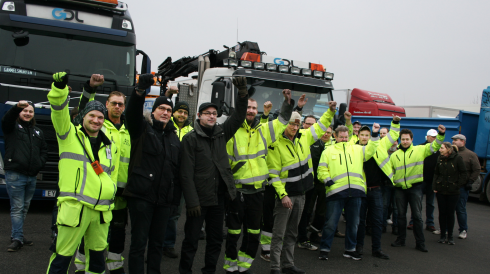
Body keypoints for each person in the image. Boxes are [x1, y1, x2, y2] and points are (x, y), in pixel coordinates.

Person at [46, 72, 118, 273]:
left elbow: (108, 176)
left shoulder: (107, 145)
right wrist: (59, 89)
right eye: (92, 116)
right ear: (83, 117)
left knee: (96, 262)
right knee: (62, 258)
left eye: (100, 117)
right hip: (75, 210)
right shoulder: (68, 135)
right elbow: (58, 110)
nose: (96, 120)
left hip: (101, 213)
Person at [179, 77, 249, 274]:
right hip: (199, 201)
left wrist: (242, 94)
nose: (211, 116)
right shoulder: (190, 139)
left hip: (218, 199)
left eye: (214, 113)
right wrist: (192, 203)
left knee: (215, 240)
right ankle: (185, 271)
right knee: (191, 240)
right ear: (199, 116)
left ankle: (209, 270)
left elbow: (238, 117)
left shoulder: (221, 133)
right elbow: (186, 174)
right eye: (207, 113)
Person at [223, 88, 295, 273]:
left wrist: (287, 103)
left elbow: (281, 122)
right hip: (237, 192)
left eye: (254, 108)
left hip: (257, 193)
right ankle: (230, 268)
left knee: (254, 234)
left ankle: (244, 266)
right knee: (233, 234)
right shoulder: (231, 130)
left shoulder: (264, 130)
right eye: (248, 107)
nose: (251, 110)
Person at [268, 100, 336, 274]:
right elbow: (274, 175)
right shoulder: (275, 144)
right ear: (285, 123)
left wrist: (330, 111)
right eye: (292, 123)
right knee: (279, 235)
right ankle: (275, 267)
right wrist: (283, 196)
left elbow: (321, 126)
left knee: (292, 234)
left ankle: (288, 265)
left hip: (301, 194)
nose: (295, 127)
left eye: (297, 124)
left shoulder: (304, 137)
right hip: (286, 197)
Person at [72, 74, 131, 273]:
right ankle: (81, 265)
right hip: (95, 191)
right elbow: (82, 111)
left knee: (117, 231)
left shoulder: (128, 129)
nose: (117, 107)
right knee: (89, 232)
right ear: (106, 104)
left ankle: (114, 266)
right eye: (114, 103)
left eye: (121, 104)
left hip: (121, 193)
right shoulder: (97, 124)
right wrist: (90, 88)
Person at [124, 74, 181, 273]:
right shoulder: (142, 130)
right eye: (161, 109)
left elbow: (176, 172)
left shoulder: (174, 139)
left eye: (168, 110)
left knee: (157, 245)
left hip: (164, 202)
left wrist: (174, 200)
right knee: (139, 244)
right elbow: (131, 113)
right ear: (153, 111)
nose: (165, 112)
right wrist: (139, 91)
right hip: (141, 198)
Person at [317, 122, 380, 261]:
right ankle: (324, 249)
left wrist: (375, 134)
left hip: (356, 192)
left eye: (346, 137)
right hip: (336, 192)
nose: (344, 139)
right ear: (335, 136)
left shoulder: (357, 149)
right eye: (341, 137)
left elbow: (371, 149)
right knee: (330, 223)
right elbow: (321, 169)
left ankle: (350, 250)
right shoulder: (328, 151)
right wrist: (327, 180)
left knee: (354, 223)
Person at [298, 112, 352, 248]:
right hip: (309, 184)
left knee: (322, 212)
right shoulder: (305, 141)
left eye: (329, 132)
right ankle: (301, 237)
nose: (326, 134)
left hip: (325, 184)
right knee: (306, 211)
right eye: (308, 123)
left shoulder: (333, 146)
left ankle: (314, 234)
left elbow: (349, 138)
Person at [390, 126, 445, 252]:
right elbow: (390, 172)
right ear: (400, 140)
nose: (405, 141)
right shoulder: (394, 155)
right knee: (400, 216)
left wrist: (441, 134)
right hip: (399, 189)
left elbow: (435, 146)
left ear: (412, 139)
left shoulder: (420, 150)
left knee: (417, 216)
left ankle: (420, 243)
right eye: (403, 139)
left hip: (415, 188)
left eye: (407, 139)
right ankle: (401, 239)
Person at [2, 100, 47, 252]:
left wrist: (39, 164)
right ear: (20, 112)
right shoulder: (11, 127)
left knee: (25, 207)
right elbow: (6, 119)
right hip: (15, 174)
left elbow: (44, 151)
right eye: (25, 111)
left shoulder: (38, 132)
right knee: (17, 207)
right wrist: (16, 107)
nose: (27, 113)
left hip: (31, 176)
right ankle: (17, 239)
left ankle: (17, 235)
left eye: (30, 111)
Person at [356, 116, 400, 260]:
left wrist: (395, 123)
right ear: (358, 135)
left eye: (367, 135)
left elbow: (393, 135)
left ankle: (377, 249)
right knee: (360, 221)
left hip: (376, 190)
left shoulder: (380, 144)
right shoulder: (353, 148)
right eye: (362, 134)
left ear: (371, 136)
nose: (364, 137)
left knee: (377, 221)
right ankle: (359, 248)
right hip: (360, 190)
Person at [163, 88, 194, 259]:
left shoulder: (192, 131)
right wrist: (168, 95)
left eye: (185, 112)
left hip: (181, 180)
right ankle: (156, 245)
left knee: (175, 214)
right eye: (179, 111)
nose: (182, 115)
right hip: (166, 177)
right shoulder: (168, 127)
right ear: (173, 113)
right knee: (161, 213)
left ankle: (168, 244)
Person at [433, 142, 467, 245]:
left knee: (450, 213)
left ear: (448, 149)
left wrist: (458, 185)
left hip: (453, 191)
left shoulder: (457, 158)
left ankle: (450, 236)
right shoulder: (440, 158)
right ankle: (443, 235)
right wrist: (435, 186)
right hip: (441, 190)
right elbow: (436, 173)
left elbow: (463, 173)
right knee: (442, 213)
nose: (440, 150)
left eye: (442, 148)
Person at [407, 129, 439, 232]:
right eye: (432, 137)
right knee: (417, 202)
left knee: (430, 203)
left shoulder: (438, 150)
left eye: (435, 137)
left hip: (432, 181)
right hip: (420, 180)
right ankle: (413, 222)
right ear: (427, 137)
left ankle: (430, 223)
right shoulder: (420, 148)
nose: (434, 139)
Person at [451, 134, 480, 239]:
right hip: (450, 186)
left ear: (462, 141)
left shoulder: (470, 154)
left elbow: (477, 169)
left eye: (456, 140)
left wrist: (470, 181)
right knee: (448, 209)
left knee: (460, 209)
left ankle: (463, 230)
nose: (453, 142)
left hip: (462, 187)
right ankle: (445, 229)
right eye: (453, 140)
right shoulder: (451, 153)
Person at [382, 141, 399, 235]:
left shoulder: (400, 152)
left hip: (397, 184)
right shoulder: (384, 152)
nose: (393, 143)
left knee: (396, 207)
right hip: (386, 184)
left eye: (395, 141)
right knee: (384, 205)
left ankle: (395, 226)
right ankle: (383, 226)